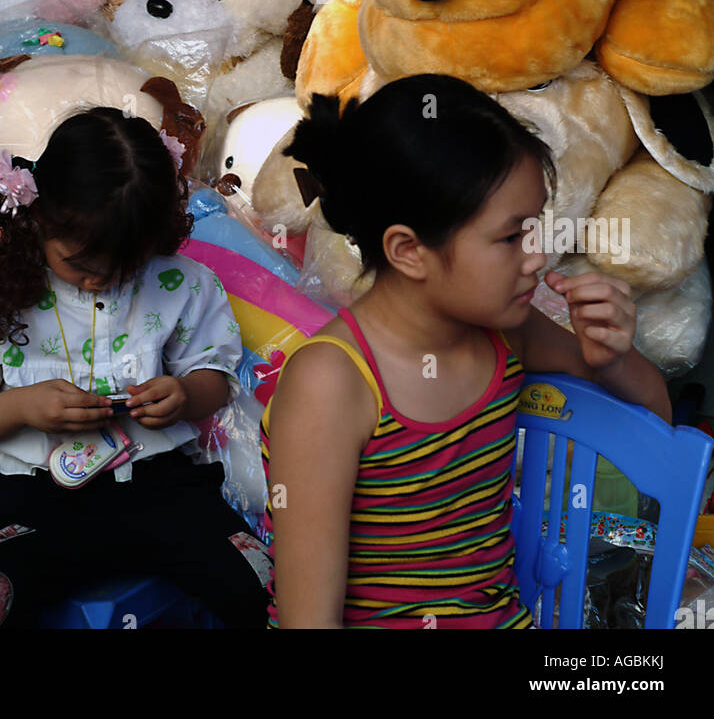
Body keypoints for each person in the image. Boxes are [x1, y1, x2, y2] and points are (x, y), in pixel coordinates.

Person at [260, 75, 671, 630]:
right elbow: (309, 620)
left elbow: (656, 427)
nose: (538, 257)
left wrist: (614, 356)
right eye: (510, 238)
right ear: (408, 251)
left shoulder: (509, 333)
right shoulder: (333, 382)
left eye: (536, 226)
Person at [0, 107, 270, 629]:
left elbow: (212, 381)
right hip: (32, 497)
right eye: (78, 265)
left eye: (124, 266)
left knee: (259, 586)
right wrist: (23, 406)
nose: (96, 283)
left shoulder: (185, 283)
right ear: (37, 217)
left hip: (161, 486)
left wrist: (183, 396)